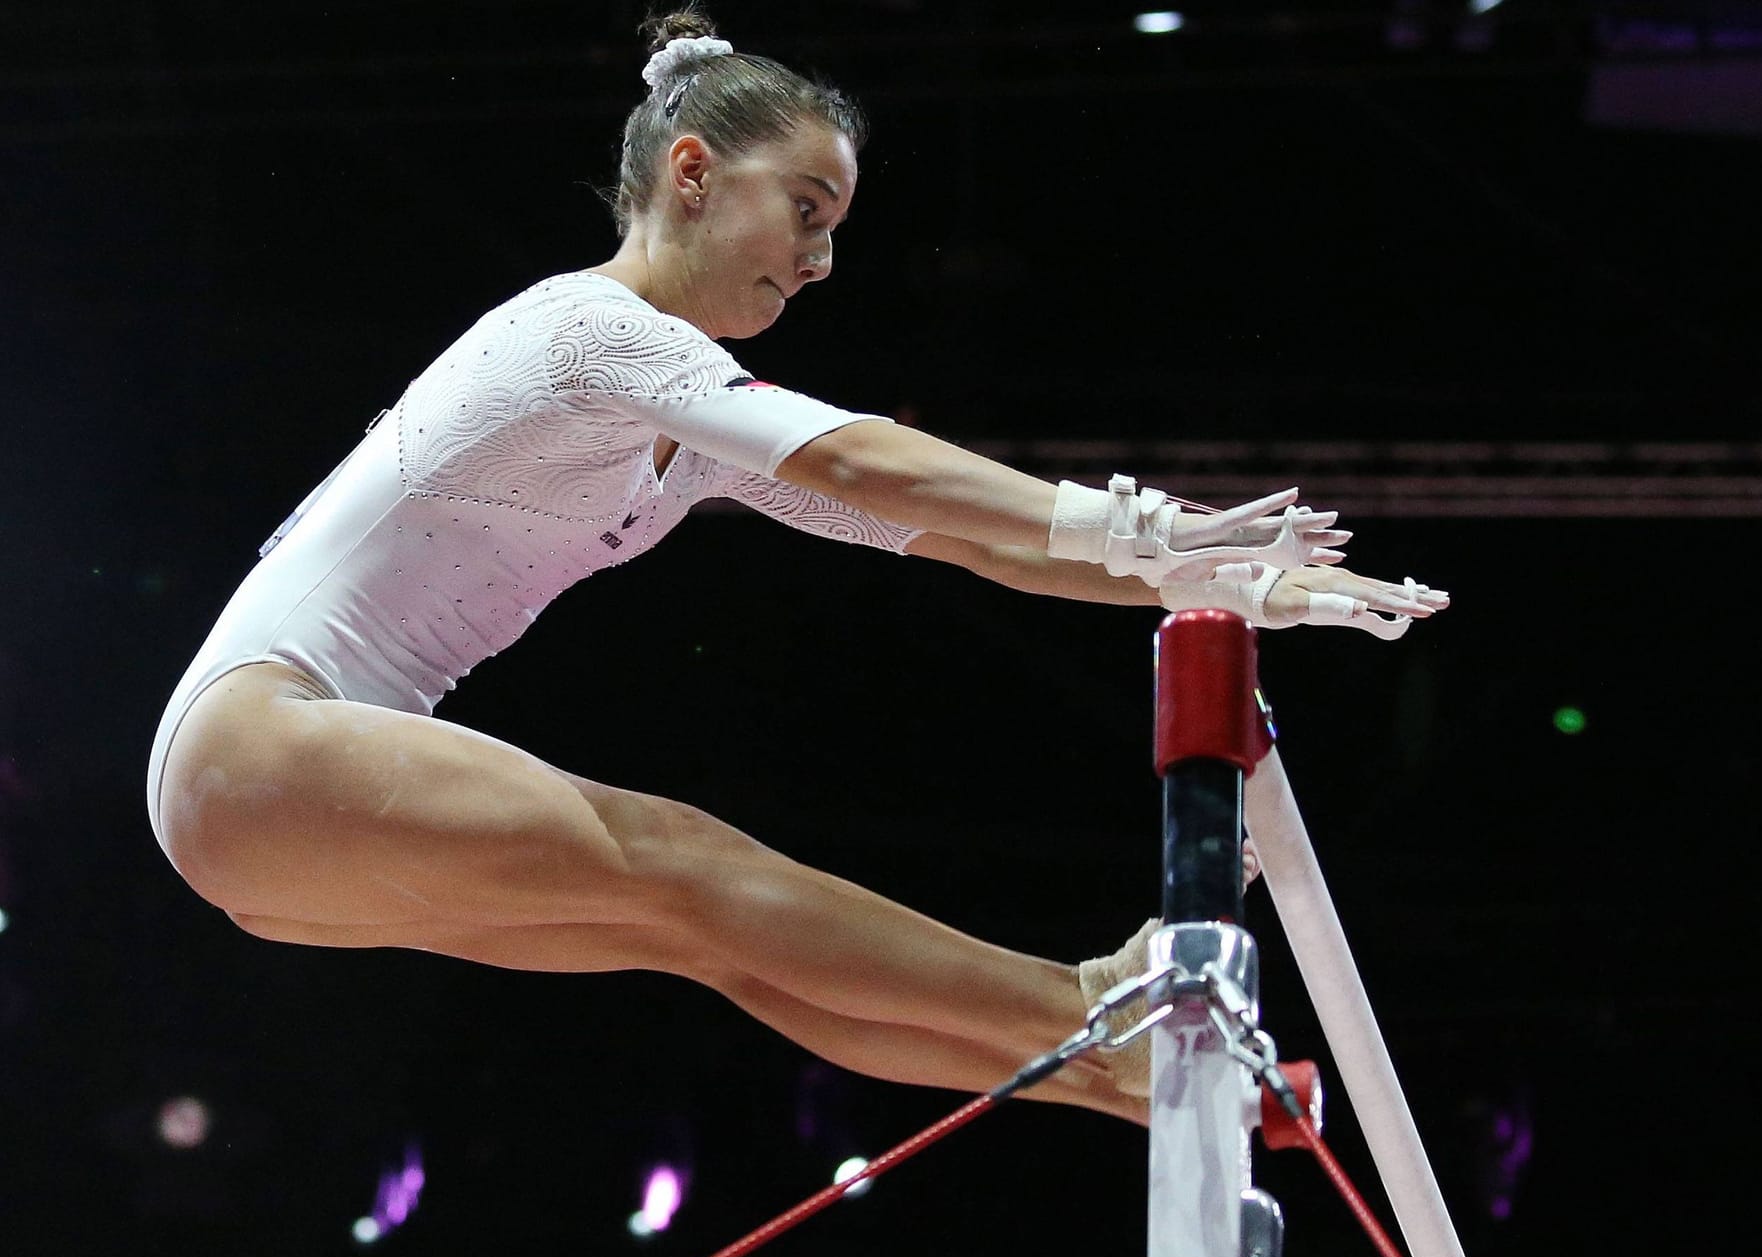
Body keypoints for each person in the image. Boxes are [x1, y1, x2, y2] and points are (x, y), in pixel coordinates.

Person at [144, 9, 1447, 1126]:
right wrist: (1147, 525)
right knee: (678, 856)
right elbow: (863, 460)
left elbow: (968, 541)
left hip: (275, 843)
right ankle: (1089, 1007)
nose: (822, 262)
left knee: (713, 939)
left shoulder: (690, 443)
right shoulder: (585, 330)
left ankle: (1089, 1074)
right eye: (807, 211)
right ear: (694, 173)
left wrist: (1227, 584)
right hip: (266, 743)